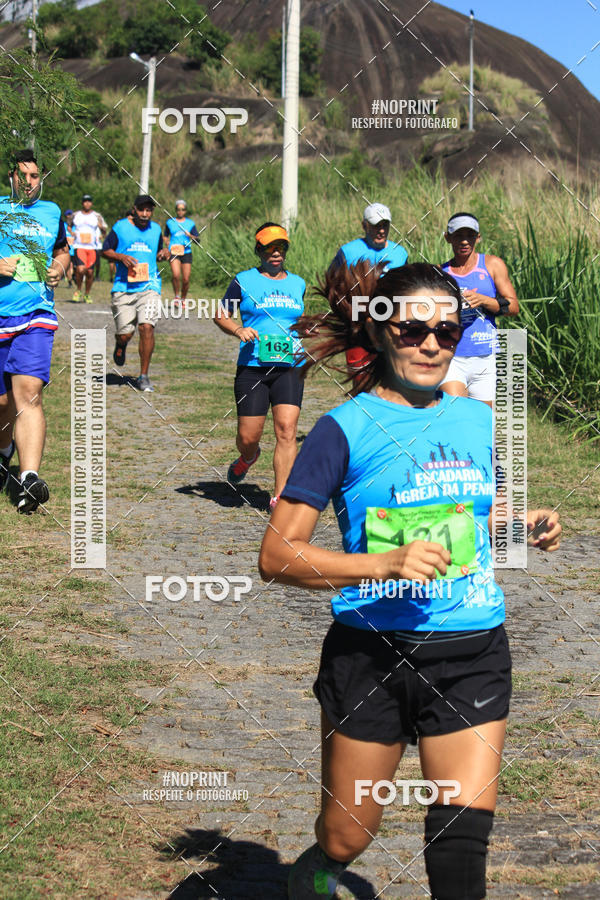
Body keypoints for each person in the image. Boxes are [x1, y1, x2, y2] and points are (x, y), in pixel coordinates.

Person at [259, 261, 561, 900]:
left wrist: (523, 524)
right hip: (372, 659)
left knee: (461, 838)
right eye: (413, 330)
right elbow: (279, 556)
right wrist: (383, 564)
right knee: (348, 836)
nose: (430, 344)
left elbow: (483, 517)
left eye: (447, 332)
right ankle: (311, 877)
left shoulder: (478, 418)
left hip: (474, 649)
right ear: (379, 332)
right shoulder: (343, 429)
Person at [213, 222, 305, 510]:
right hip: (253, 366)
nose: (277, 253)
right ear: (259, 250)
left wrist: (303, 339)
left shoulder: (298, 283)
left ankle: (280, 499)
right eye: (270, 247)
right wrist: (238, 330)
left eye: (282, 247)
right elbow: (220, 314)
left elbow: (297, 322)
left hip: (288, 366)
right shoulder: (243, 280)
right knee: (248, 436)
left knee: (287, 430)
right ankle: (248, 457)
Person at [0, 148, 70, 513]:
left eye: (34, 176)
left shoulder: (52, 211)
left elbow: (62, 249)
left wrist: (59, 265)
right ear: (10, 176)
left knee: (28, 394)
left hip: (36, 315)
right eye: (22, 175)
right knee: (1, 404)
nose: (28, 182)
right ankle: (4, 450)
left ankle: (28, 479)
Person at [440, 212, 519, 406]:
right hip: (452, 355)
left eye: (470, 235)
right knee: (455, 413)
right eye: (458, 235)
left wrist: (484, 300)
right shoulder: (440, 273)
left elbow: (514, 307)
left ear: (478, 237)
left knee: (481, 422)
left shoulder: (492, 265)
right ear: (448, 238)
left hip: (485, 355)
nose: (465, 241)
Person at [331, 202, 408, 386]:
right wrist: (344, 311)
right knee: (362, 382)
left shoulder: (400, 253)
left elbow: (406, 288)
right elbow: (333, 285)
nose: (381, 230)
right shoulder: (348, 251)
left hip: (390, 323)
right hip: (358, 324)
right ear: (364, 225)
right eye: (376, 226)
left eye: (385, 225)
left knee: (392, 382)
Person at [101, 195, 170, 392]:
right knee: (126, 334)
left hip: (150, 286)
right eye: (142, 210)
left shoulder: (156, 229)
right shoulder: (120, 227)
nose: (145, 214)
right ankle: (120, 344)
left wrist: (163, 254)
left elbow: (156, 252)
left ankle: (144, 376)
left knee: (146, 327)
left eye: (149, 210)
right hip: (123, 288)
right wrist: (120, 257)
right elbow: (105, 251)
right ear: (134, 209)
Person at [71, 194, 107, 303]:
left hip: (92, 248)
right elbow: (68, 225)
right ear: (82, 203)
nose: (87, 203)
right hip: (79, 246)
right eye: (85, 201)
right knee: (80, 269)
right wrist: (72, 233)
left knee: (90, 272)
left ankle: (87, 294)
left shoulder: (97, 216)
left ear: (91, 203)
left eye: (89, 201)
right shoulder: (76, 215)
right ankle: (78, 290)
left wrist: (102, 229)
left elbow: (104, 230)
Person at [164, 199, 199, 305]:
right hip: (174, 251)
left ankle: (183, 299)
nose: (180, 211)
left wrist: (190, 236)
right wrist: (167, 243)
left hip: (186, 252)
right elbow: (165, 236)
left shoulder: (190, 223)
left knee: (186, 279)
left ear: (185, 211)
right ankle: (176, 296)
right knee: (175, 275)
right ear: (176, 210)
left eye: (183, 209)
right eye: (178, 209)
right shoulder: (170, 222)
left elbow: (197, 240)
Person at [64, 209, 75, 287]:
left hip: (76, 249)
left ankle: (74, 278)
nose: (69, 217)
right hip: (67, 249)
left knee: (75, 267)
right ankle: (70, 281)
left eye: (70, 215)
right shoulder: (63, 225)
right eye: (68, 215)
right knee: (68, 266)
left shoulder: (77, 226)